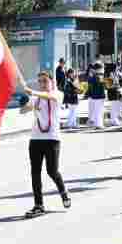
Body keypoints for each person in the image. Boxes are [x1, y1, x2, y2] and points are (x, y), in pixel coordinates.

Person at [20, 70, 70, 218]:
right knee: (35, 172)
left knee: (52, 171)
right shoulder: (36, 98)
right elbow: (22, 111)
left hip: (52, 138)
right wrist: (29, 106)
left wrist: (33, 92)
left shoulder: (57, 94)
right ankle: (38, 205)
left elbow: (48, 96)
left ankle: (63, 192)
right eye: (40, 81)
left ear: (51, 81)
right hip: (35, 139)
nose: (42, 84)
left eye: (44, 81)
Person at [85, 63, 105, 129]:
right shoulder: (96, 76)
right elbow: (99, 85)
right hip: (98, 96)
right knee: (98, 111)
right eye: (101, 68)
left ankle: (98, 123)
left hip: (97, 96)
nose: (102, 69)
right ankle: (98, 124)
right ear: (98, 69)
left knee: (98, 110)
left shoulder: (95, 76)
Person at [106, 62, 122, 127]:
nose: (118, 68)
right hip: (112, 92)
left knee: (116, 107)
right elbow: (109, 85)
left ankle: (114, 120)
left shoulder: (115, 73)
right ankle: (113, 120)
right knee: (113, 107)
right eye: (116, 67)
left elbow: (120, 78)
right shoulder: (110, 74)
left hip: (116, 91)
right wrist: (116, 85)